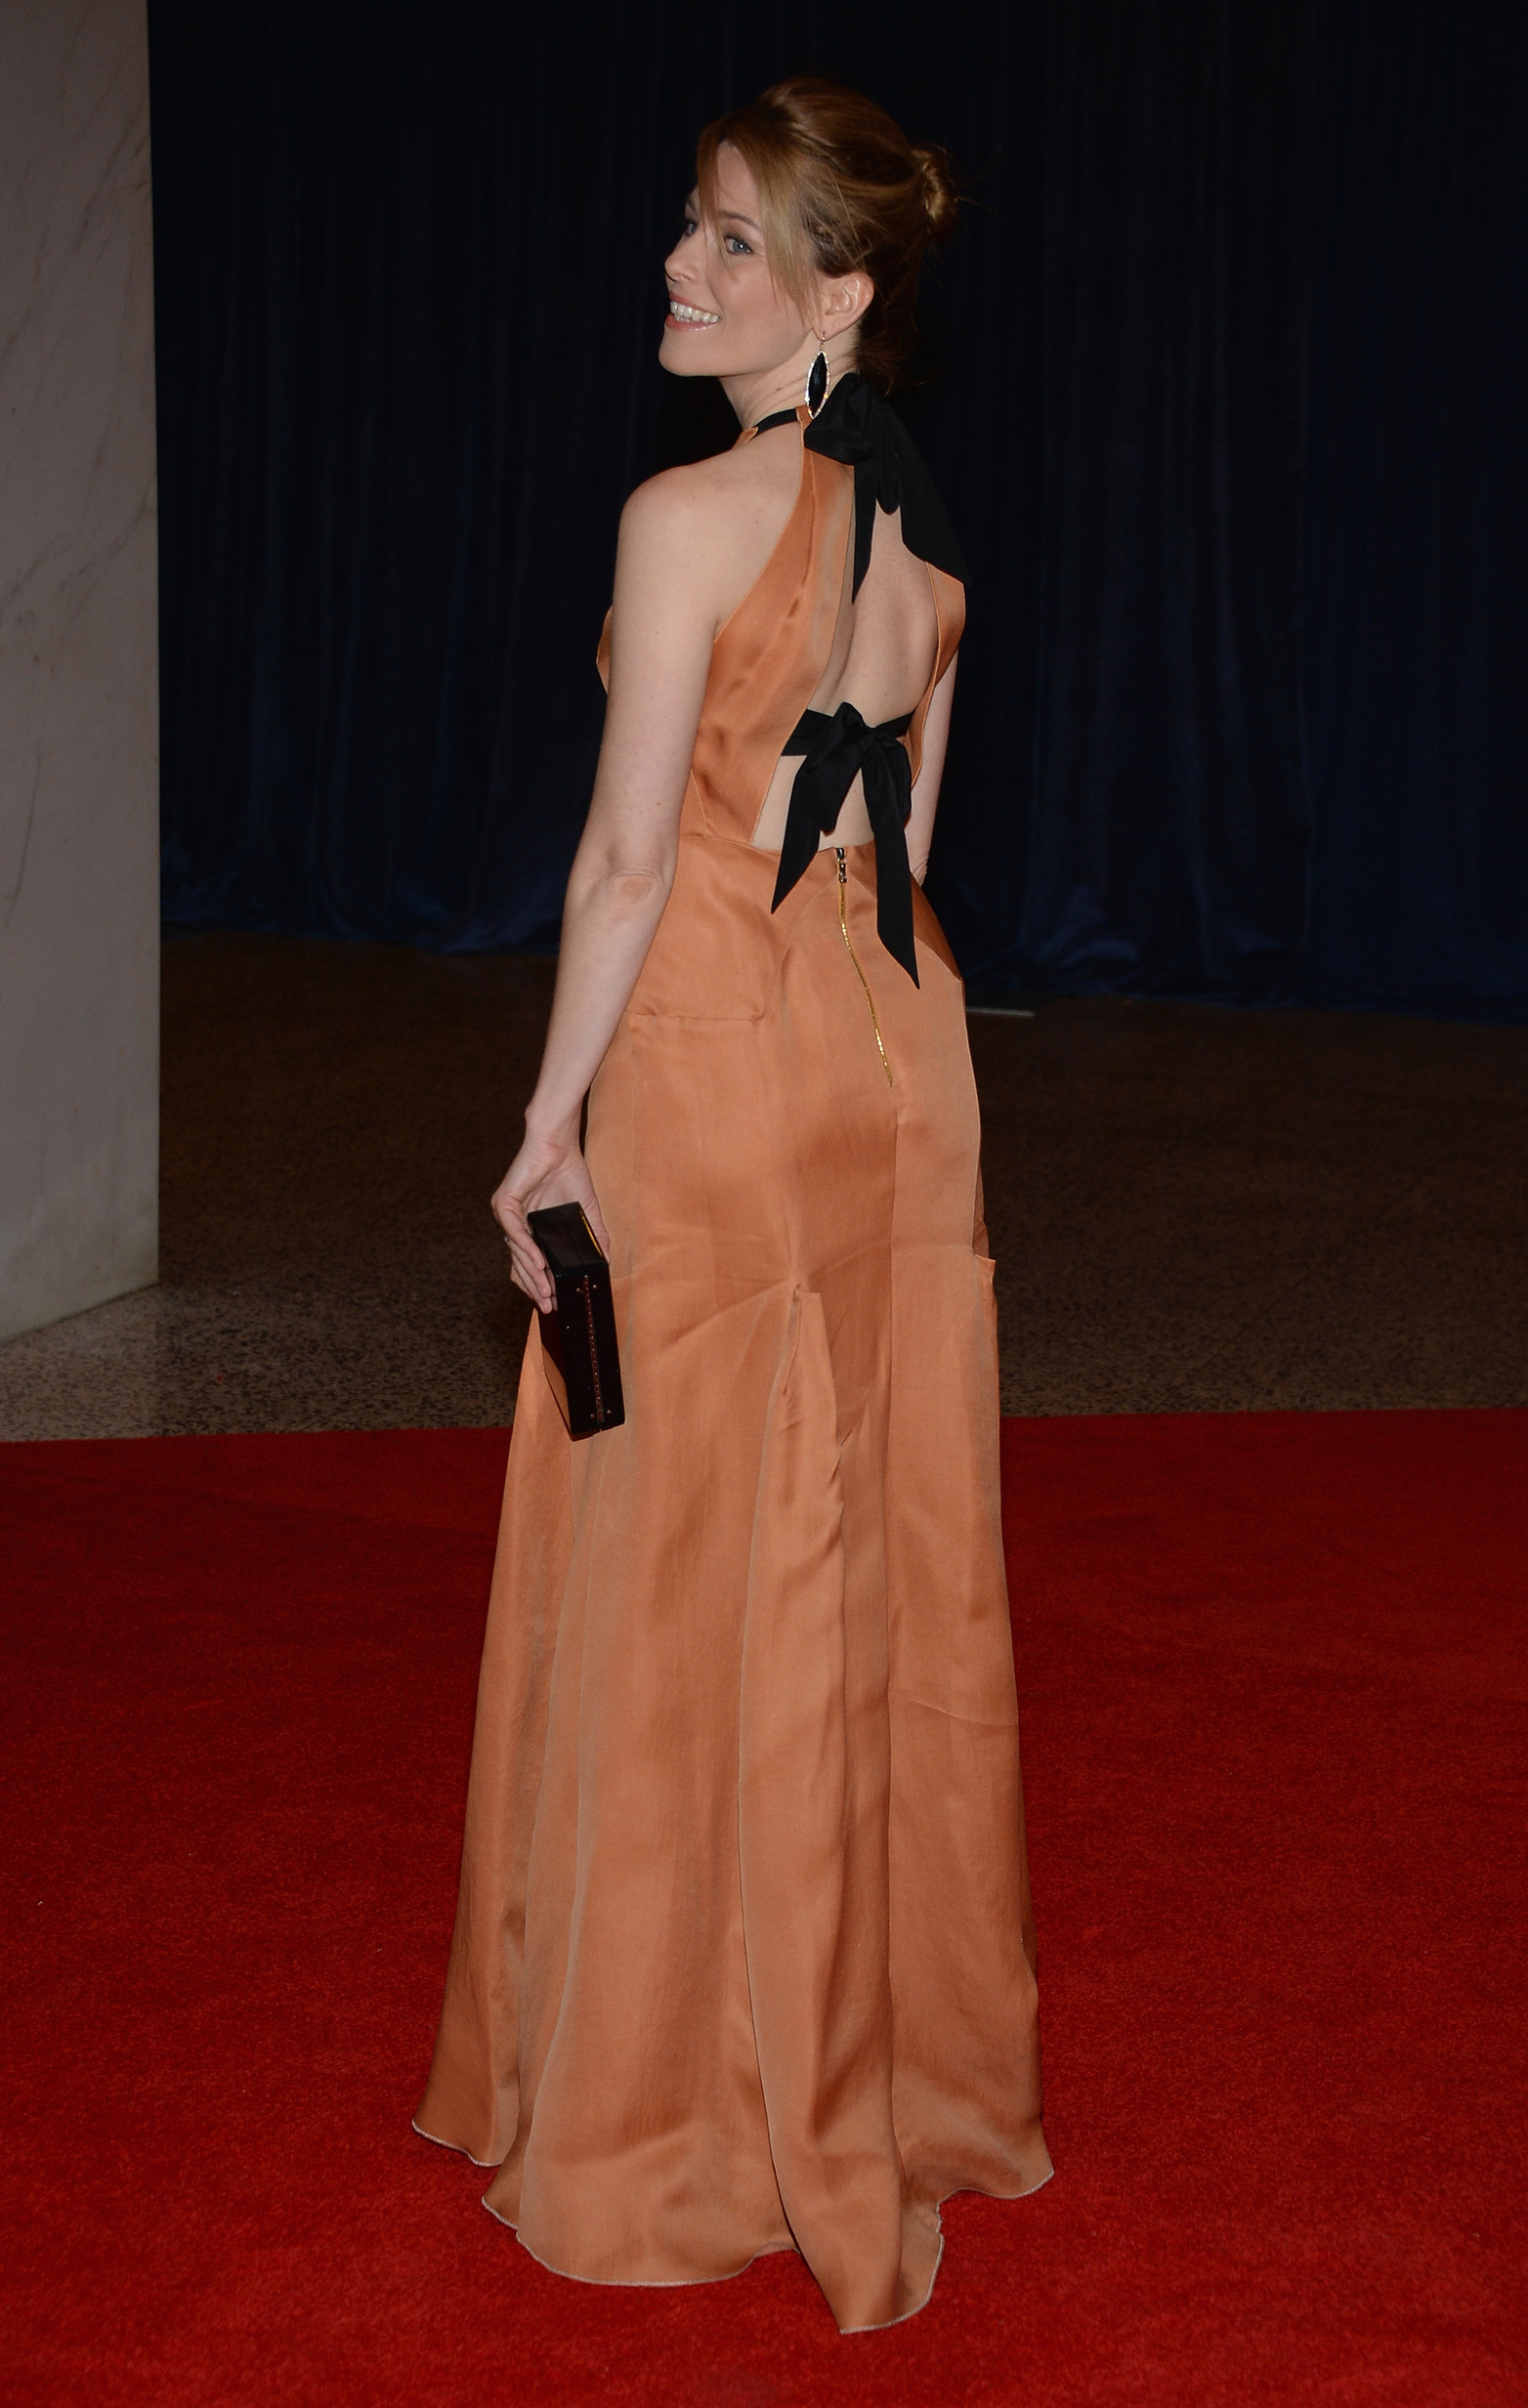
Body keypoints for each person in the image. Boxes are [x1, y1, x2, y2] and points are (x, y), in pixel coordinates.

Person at [414, 76, 1052, 2335]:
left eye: (727, 245)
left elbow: (617, 863)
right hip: (897, 1076)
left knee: (683, 1558)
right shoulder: (940, 551)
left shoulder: (688, 514)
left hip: (704, 1056)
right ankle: (881, 2064)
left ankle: (673, 2109)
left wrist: (547, 1127)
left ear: (838, 294)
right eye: (684, 229)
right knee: (859, 1566)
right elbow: (910, 866)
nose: (679, 272)